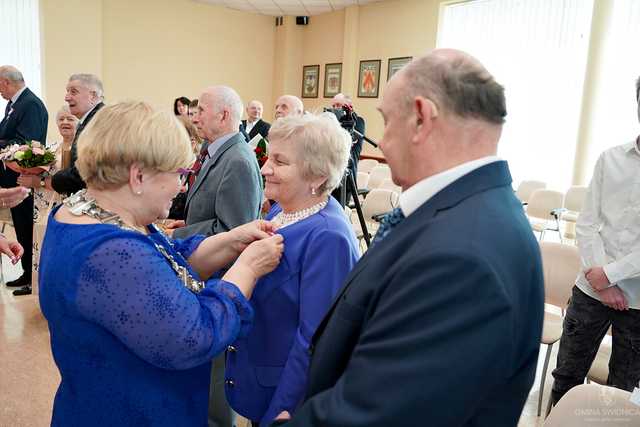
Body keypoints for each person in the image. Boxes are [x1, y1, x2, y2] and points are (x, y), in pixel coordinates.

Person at [272, 49, 544, 427]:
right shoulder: (471, 211)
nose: (380, 142)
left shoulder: (461, 258)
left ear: (420, 118)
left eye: (386, 121)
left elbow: (380, 412)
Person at [38, 101, 284, 427]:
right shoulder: (113, 253)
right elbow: (193, 335)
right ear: (138, 176)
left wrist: (231, 241)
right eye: (178, 174)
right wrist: (248, 268)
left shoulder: (92, 211)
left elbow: (167, 259)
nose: (181, 186)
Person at [225, 113, 360, 427]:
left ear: (316, 176)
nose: (264, 168)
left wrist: (281, 414)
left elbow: (315, 339)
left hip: (284, 402)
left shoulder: (328, 237)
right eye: (269, 157)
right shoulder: (283, 209)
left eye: (280, 162)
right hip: (256, 379)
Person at [165, 85, 263, 427]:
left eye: (201, 110)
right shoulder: (215, 150)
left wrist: (180, 234)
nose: (195, 116)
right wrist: (188, 222)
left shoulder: (238, 159)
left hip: (219, 278)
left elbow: (235, 229)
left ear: (224, 115)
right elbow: (211, 215)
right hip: (203, 270)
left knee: (217, 379)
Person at [550, 76, 640, 406]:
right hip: (590, 290)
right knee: (566, 378)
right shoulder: (610, 159)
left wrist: (610, 276)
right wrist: (602, 282)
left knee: (619, 393)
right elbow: (586, 224)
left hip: (637, 302)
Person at [17, 105, 79, 294]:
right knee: (46, 251)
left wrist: (40, 182)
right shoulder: (49, 150)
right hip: (44, 209)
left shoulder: (82, 150)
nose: (65, 123)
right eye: (61, 119)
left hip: (70, 210)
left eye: (70, 119)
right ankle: (45, 292)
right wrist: (26, 176)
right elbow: (36, 176)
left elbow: (72, 182)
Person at [0, 65, 48, 296]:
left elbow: (24, 143)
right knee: (20, 225)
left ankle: (32, 275)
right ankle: (25, 270)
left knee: (27, 225)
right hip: (11, 177)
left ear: (6, 82)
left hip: (23, 177)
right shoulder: (14, 104)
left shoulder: (31, 104)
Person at [50, 73, 105, 196]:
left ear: (93, 96)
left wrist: (52, 180)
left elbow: (86, 171)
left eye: (73, 92)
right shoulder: (92, 119)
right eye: (67, 92)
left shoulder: (98, 121)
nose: (66, 97)